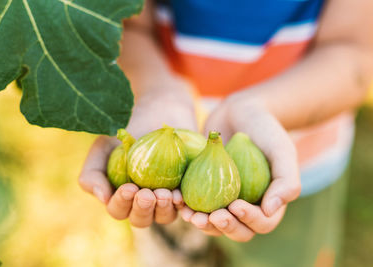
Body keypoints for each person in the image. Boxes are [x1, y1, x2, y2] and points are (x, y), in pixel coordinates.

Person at [78, 0, 373, 266]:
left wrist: (258, 107)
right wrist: (156, 91)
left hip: (296, 165)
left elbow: (355, 52)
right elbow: (125, 25)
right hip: (167, 188)